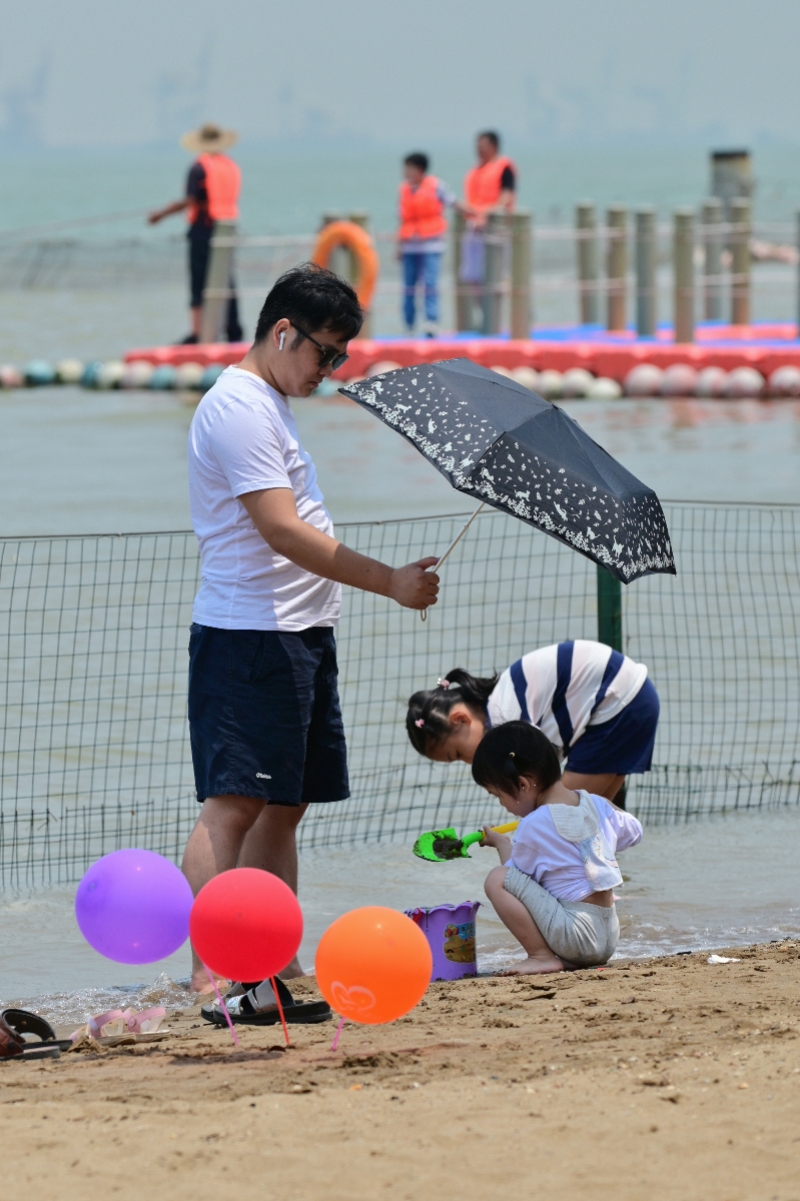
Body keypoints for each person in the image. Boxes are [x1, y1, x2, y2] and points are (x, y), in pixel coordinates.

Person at [182, 263, 439, 1015]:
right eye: (325, 354)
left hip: (300, 632)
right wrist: (388, 580)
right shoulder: (237, 407)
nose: (329, 371)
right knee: (231, 804)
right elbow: (282, 530)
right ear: (283, 331)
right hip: (249, 634)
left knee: (285, 804)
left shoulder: (270, 401)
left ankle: (271, 953)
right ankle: (216, 967)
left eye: (340, 360)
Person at [474, 721, 643, 974]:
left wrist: (501, 844)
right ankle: (563, 957)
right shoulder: (596, 804)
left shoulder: (534, 825)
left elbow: (512, 878)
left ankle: (541, 956)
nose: (502, 804)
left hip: (576, 936)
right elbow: (635, 832)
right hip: (608, 936)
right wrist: (605, 813)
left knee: (495, 879)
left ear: (522, 785)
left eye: (498, 795)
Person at [406, 640, 660, 804]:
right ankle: (611, 886)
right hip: (633, 699)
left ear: (460, 719)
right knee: (592, 824)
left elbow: (539, 786)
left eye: (458, 754)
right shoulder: (503, 700)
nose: (468, 762)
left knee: (558, 823)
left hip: (617, 705)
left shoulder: (504, 718)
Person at [148, 122, 244, 345]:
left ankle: (198, 332)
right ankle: (234, 331)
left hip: (203, 229)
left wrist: (162, 213)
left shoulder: (199, 167)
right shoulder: (230, 166)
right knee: (226, 282)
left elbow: (192, 200)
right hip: (227, 228)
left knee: (199, 284)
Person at [459, 130, 517, 331]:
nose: (478, 149)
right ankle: (484, 318)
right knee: (474, 277)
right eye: (477, 145)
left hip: (495, 230)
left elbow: (505, 198)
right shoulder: (474, 172)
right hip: (474, 230)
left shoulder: (504, 168)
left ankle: (506, 320)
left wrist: (486, 213)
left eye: (482, 145)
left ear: (493, 146)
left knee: (498, 276)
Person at [397, 152, 457, 337]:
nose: (406, 172)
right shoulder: (404, 189)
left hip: (431, 245)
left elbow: (454, 202)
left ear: (420, 169)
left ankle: (431, 322)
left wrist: (475, 214)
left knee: (430, 284)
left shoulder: (437, 186)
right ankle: (409, 324)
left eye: (409, 168)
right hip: (409, 246)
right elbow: (402, 219)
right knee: (408, 286)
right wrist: (398, 247)